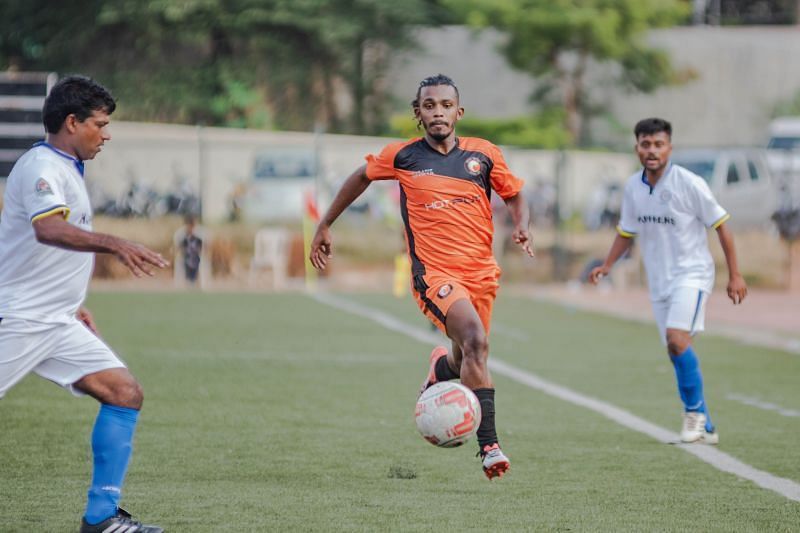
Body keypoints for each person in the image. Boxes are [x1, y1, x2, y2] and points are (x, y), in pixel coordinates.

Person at [310, 74, 534, 479]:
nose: (437, 112)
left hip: (481, 274)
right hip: (435, 275)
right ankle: (489, 446)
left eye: (445, 105)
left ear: (458, 112)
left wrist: (521, 224)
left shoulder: (483, 155)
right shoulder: (404, 156)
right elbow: (361, 177)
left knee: (467, 354)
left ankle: (441, 370)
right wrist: (325, 223)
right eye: (428, 105)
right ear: (418, 113)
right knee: (476, 342)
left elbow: (514, 193)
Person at [0, 76, 167, 532]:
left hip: (55, 319)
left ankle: (101, 519)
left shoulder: (65, 167)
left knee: (124, 392)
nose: (106, 134)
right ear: (72, 123)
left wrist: (70, 303)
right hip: (20, 318)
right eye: (101, 124)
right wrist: (114, 243)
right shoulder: (42, 166)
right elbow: (48, 230)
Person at [589, 117, 747, 444]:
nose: (652, 150)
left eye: (658, 144)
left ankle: (693, 415)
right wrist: (606, 265)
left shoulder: (690, 184)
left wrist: (735, 274)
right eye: (646, 144)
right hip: (659, 281)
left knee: (677, 339)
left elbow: (721, 225)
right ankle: (705, 423)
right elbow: (626, 232)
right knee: (677, 350)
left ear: (669, 148)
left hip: (692, 274)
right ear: (637, 148)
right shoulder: (633, 186)